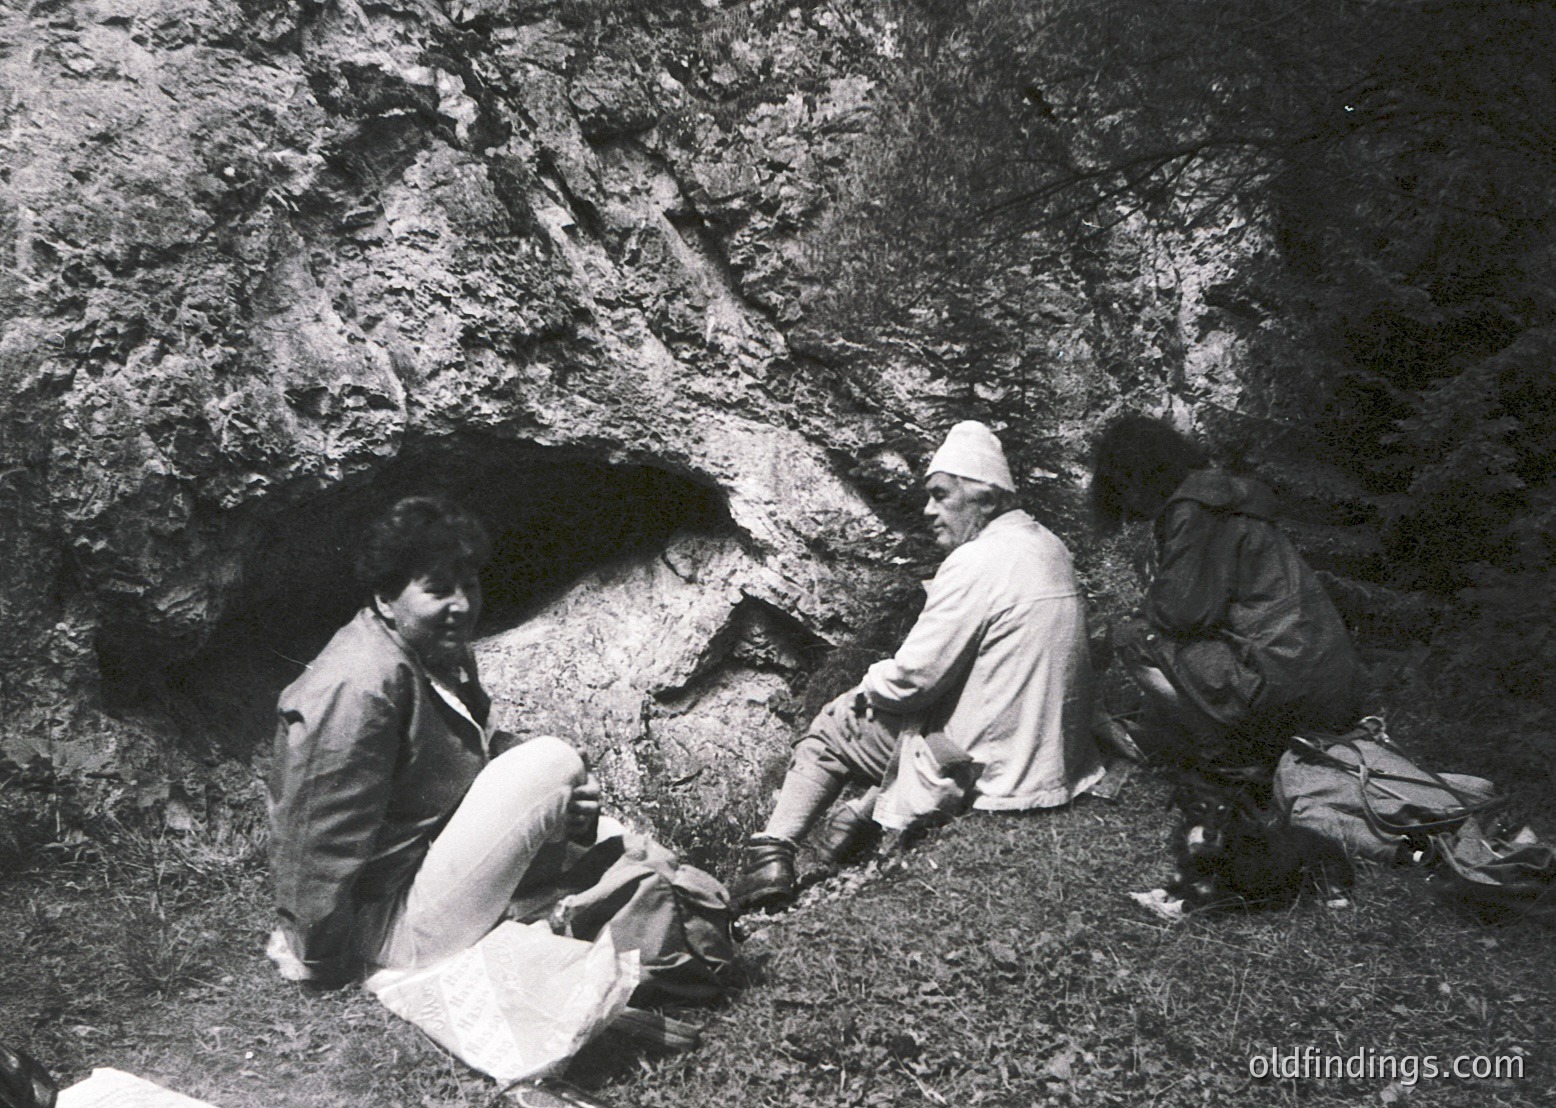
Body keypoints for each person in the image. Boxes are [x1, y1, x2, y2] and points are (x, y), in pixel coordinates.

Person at [731, 421, 1105, 913]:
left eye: (940, 495)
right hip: (1049, 752)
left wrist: (867, 685)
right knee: (905, 718)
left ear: (986, 499)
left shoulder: (978, 561)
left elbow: (912, 682)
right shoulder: (1049, 546)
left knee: (837, 721)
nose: (929, 511)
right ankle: (856, 819)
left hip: (994, 770)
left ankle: (771, 856)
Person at [265, 495, 601, 983]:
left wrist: (558, 807)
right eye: (439, 590)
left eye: (469, 584)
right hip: (384, 926)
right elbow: (315, 838)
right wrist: (320, 956)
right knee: (551, 760)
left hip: (422, 869)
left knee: (601, 832)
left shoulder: (432, 651)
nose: (461, 606)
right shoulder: (356, 685)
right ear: (385, 598)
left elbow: (467, 750)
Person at [1090, 413, 1362, 776]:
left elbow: (1181, 613)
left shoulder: (1194, 510)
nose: (1127, 502)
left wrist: (1134, 619)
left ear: (1137, 478)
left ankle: (1228, 755)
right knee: (1167, 640)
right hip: (1326, 678)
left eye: (1122, 487)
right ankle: (1235, 738)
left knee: (1133, 637)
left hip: (1286, 679)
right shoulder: (1229, 498)